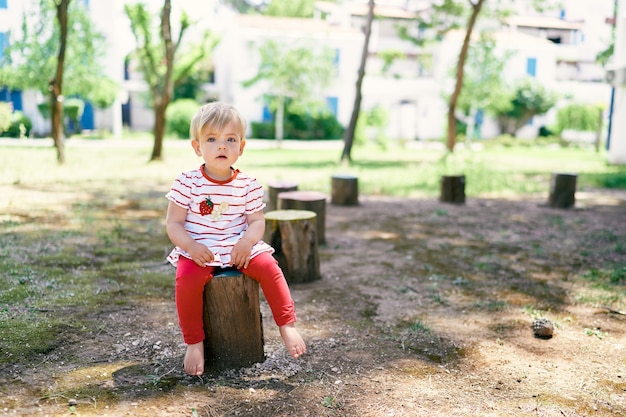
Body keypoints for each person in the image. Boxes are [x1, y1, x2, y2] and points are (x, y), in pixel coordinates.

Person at [165, 101, 306, 376]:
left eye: (230, 139)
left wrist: (246, 242)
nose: (222, 146)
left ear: (241, 147)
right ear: (197, 147)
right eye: (212, 139)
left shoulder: (248, 185)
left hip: (237, 246)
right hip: (200, 249)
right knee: (187, 280)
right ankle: (194, 343)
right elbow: (174, 224)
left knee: (269, 267)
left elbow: (256, 222)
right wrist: (190, 246)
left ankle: (287, 325)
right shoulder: (187, 182)